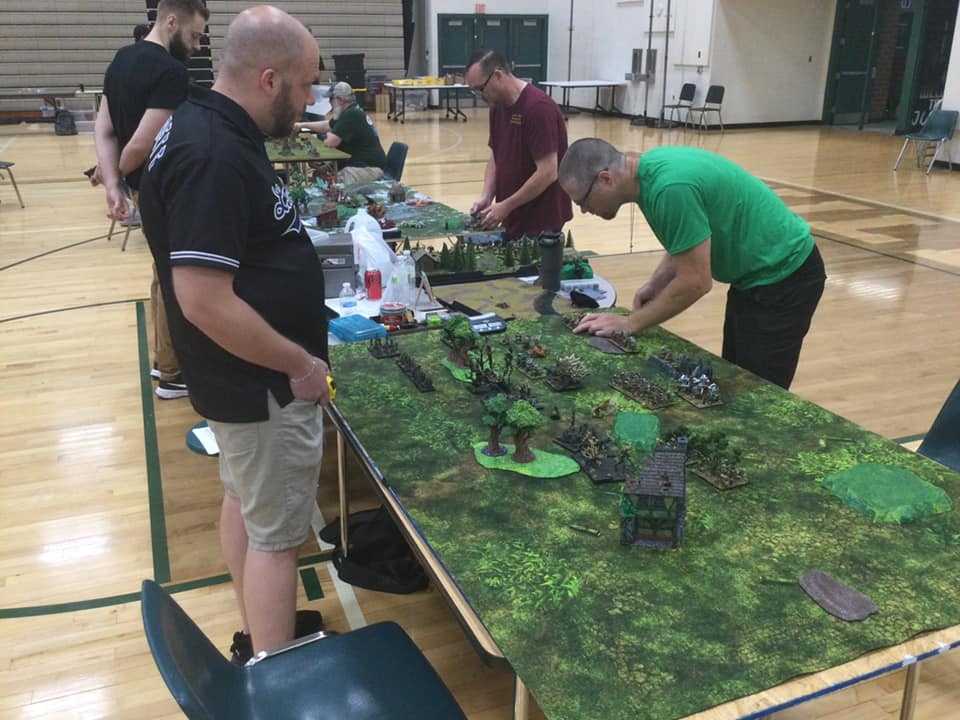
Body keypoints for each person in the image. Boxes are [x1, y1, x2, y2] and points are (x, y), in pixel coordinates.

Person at [138, 5, 331, 663]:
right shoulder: (213, 153)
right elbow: (202, 300)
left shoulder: (205, 122)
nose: (309, 101)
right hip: (263, 387)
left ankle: (259, 636)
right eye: (305, 85)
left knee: (244, 502)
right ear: (269, 78)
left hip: (239, 385)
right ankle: (277, 682)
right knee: (277, 540)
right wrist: (299, 363)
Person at [559, 139, 826, 390]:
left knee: (760, 391)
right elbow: (689, 239)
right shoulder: (651, 173)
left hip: (786, 276)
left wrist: (629, 323)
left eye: (582, 201)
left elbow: (696, 282)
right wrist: (656, 283)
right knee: (736, 376)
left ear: (606, 179)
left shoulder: (669, 188)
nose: (584, 210)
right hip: (753, 277)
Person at [93, 0, 209, 400]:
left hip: (143, 189)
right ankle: (175, 374)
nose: (196, 46)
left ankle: (165, 360)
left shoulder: (120, 61)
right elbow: (142, 143)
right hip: (164, 191)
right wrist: (116, 177)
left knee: (163, 272)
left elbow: (105, 130)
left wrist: (112, 182)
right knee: (179, 276)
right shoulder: (170, 72)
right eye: (194, 36)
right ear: (171, 21)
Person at [464, 49, 572, 240]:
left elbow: (548, 172)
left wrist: (506, 205)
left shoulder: (538, 109)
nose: (478, 96)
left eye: (480, 89)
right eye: (473, 91)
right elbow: (496, 155)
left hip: (541, 221)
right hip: (513, 216)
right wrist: (487, 196)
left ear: (498, 76)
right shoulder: (497, 106)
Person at [294, 82, 386, 184]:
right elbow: (326, 126)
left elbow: (331, 142)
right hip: (358, 164)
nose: (329, 103)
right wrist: (302, 125)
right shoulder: (349, 111)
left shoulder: (351, 114)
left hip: (367, 168)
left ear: (340, 100)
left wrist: (313, 143)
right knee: (320, 174)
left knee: (336, 183)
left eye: (331, 99)